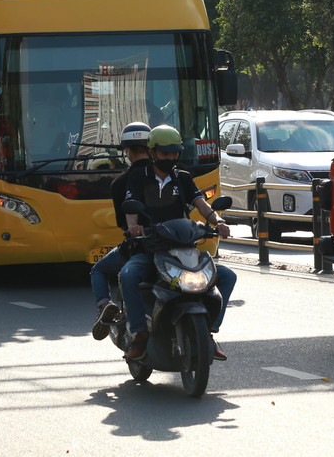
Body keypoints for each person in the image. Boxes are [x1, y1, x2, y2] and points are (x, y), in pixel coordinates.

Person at [117, 125, 235, 361]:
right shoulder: (139, 176)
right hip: (151, 247)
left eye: (175, 153)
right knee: (128, 275)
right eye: (165, 153)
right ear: (152, 152)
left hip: (182, 247)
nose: (171, 158)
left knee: (227, 276)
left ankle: (209, 332)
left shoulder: (182, 177)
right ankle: (140, 334)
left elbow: (201, 204)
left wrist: (218, 221)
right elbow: (130, 205)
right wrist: (133, 227)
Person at [89, 122, 153, 340]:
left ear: (127, 151)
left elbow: (122, 224)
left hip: (138, 246)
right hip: (172, 240)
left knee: (98, 270)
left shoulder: (119, 183)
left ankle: (104, 304)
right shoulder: (168, 176)